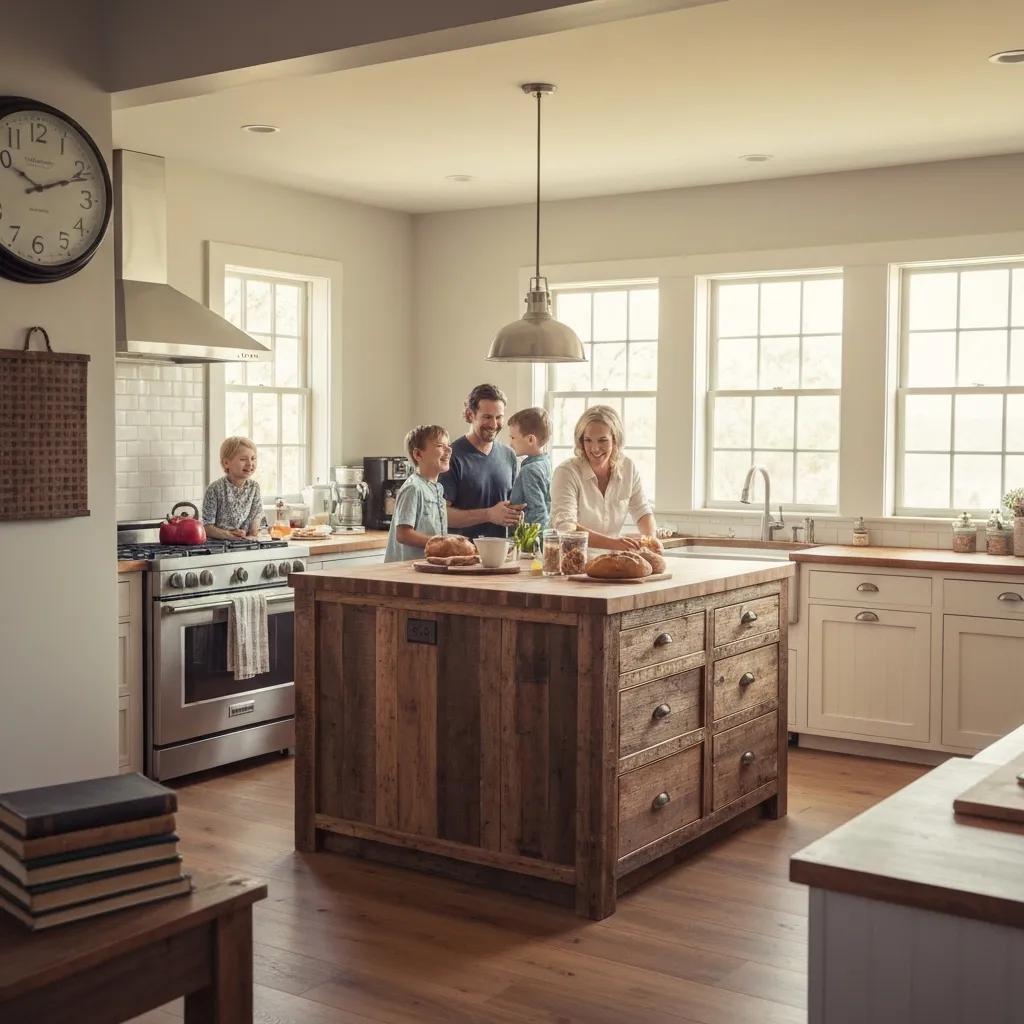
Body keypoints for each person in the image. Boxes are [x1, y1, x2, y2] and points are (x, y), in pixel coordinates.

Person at [550, 405, 658, 550]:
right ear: (581, 441)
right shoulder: (566, 472)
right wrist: (614, 543)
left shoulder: (627, 467)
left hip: (613, 558)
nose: (595, 448)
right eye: (588, 440)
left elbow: (642, 512)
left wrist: (650, 541)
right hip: (573, 558)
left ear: (615, 440)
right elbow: (566, 527)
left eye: (602, 440)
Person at [440, 383, 523, 539]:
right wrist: (488, 514)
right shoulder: (451, 456)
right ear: (470, 414)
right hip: (462, 551)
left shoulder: (509, 455)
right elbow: (441, 515)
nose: (494, 424)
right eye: (487, 417)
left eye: (499, 417)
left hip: (502, 550)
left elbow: (510, 506)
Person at [384, 425, 451, 563]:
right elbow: (403, 534)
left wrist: (449, 543)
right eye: (440, 446)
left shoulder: (438, 489)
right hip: (407, 571)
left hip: (427, 567)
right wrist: (443, 543)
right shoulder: (413, 488)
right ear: (418, 454)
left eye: (448, 446)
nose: (449, 450)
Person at [202, 436, 263, 540]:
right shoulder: (214, 489)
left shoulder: (254, 487)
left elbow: (256, 517)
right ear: (226, 463)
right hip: (219, 544)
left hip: (245, 542)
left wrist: (253, 533)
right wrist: (228, 535)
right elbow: (206, 527)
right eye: (243, 459)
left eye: (253, 458)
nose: (250, 463)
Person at [507, 406, 552, 530]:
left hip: (526, 539)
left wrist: (535, 542)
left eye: (513, 438)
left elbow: (538, 512)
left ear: (531, 439)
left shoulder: (529, 470)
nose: (511, 443)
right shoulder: (546, 462)